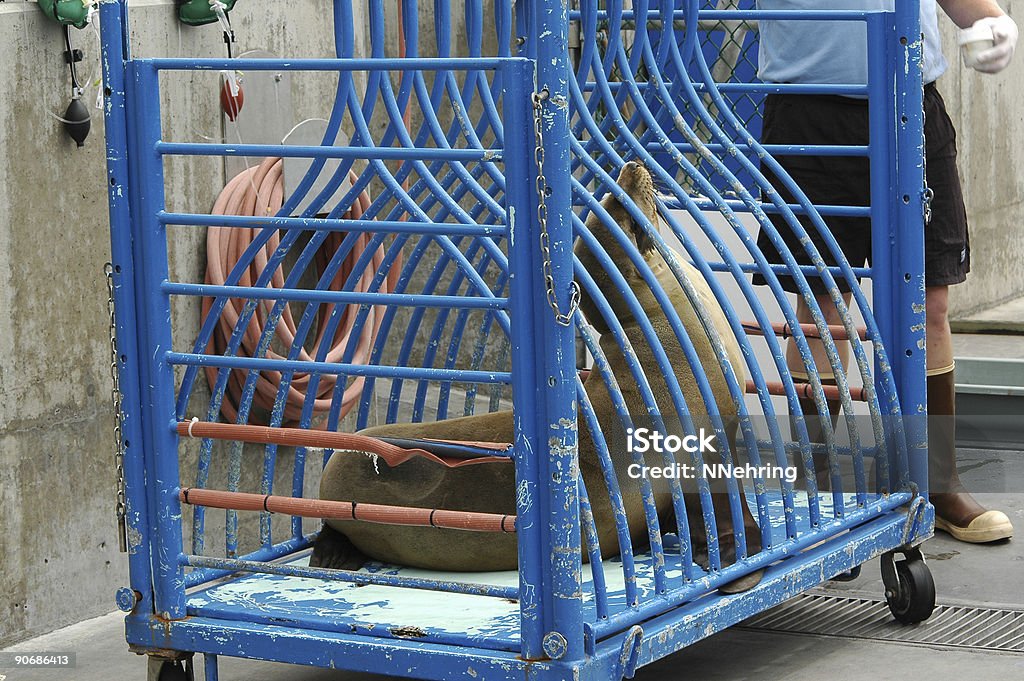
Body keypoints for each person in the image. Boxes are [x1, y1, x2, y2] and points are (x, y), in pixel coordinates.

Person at [753, 0, 1017, 543]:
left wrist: (988, 18)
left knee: (930, 303)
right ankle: (817, 485)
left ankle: (934, 481)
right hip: (809, 111)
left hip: (909, 103)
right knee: (822, 303)